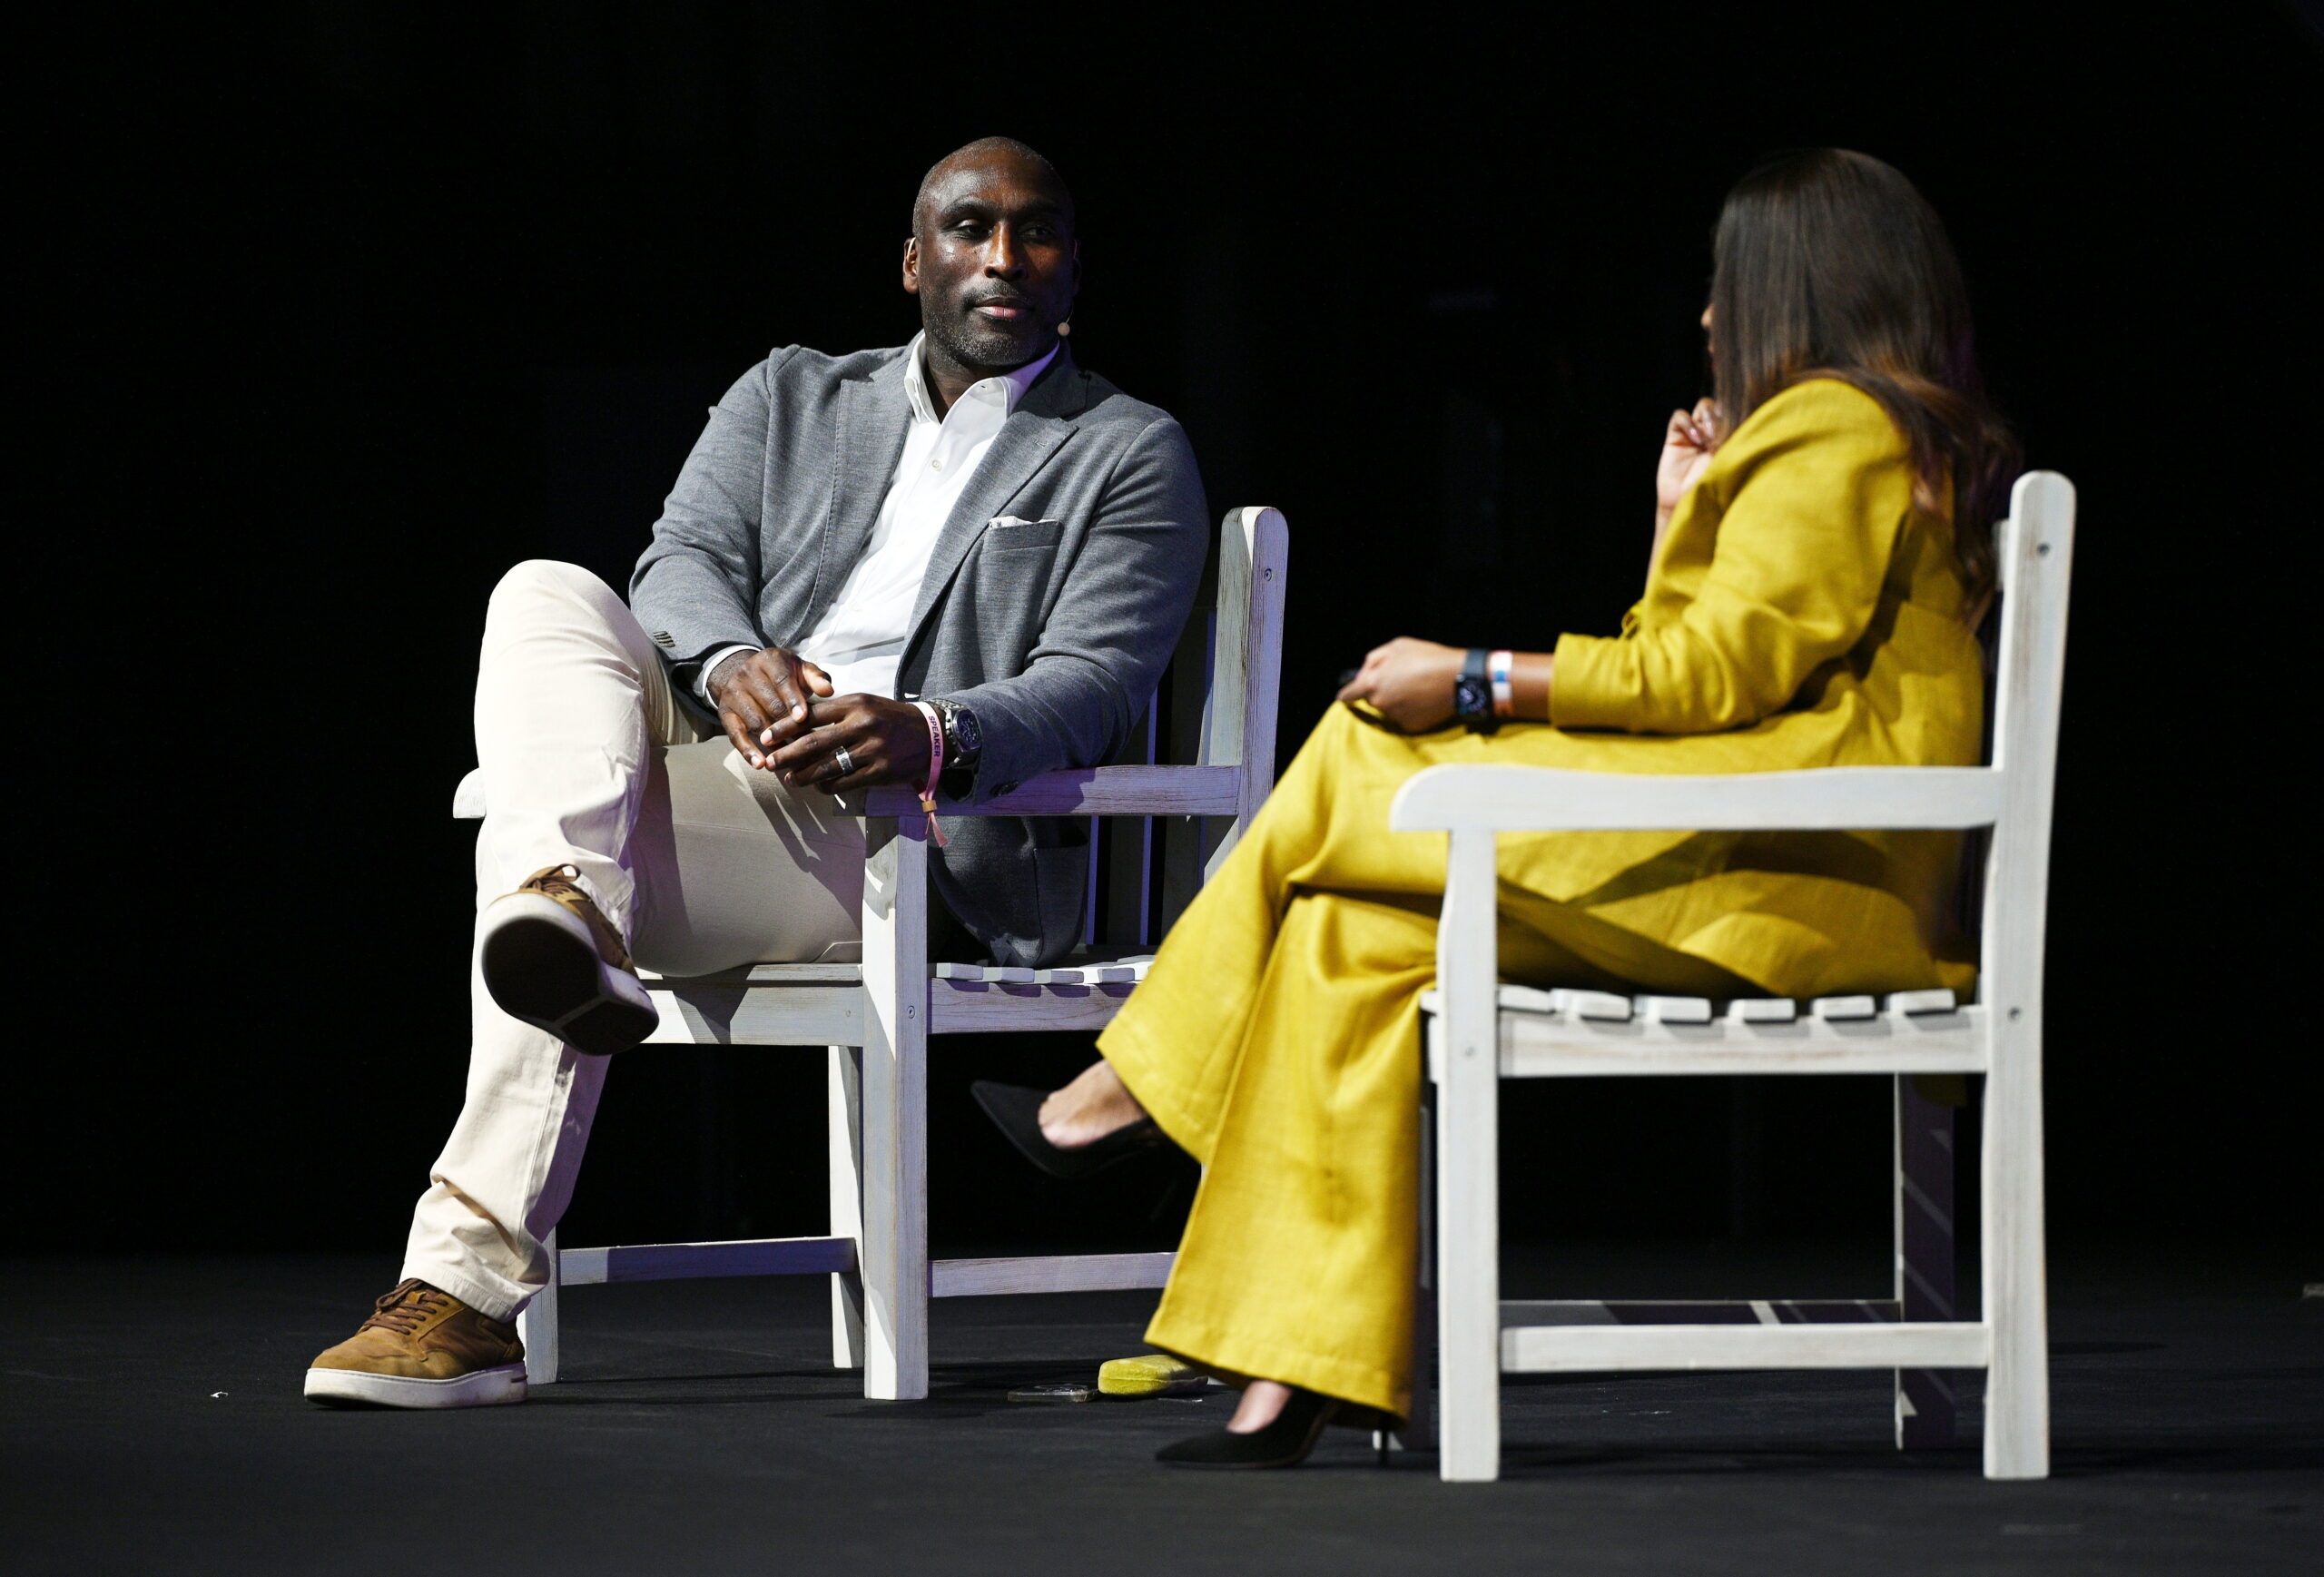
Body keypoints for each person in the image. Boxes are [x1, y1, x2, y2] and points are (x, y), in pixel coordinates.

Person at [976, 148, 2018, 1467]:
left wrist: (1469, 676)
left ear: (1796, 285)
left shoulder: (1835, 426)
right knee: (1345, 932)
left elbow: (1704, 683)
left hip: (1803, 877)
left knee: (1367, 742)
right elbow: (1686, 664)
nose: (1710, 316)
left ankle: (1128, 1086)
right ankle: (1290, 1370)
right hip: (1759, 849)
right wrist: (1674, 520)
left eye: (1726, 284)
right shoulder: (1854, 438)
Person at [304, 137, 1209, 1408]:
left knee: (547, 855)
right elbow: (677, 564)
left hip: (898, 828)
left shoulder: (1125, 447)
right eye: (969, 228)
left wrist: (933, 727)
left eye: (1037, 231)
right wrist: (731, 661)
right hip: (720, 761)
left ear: (1073, 266)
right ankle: (568, 910)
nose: (1003, 257)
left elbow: (1094, 679)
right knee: (544, 591)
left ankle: (461, 1282)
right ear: (914, 262)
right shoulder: (792, 393)